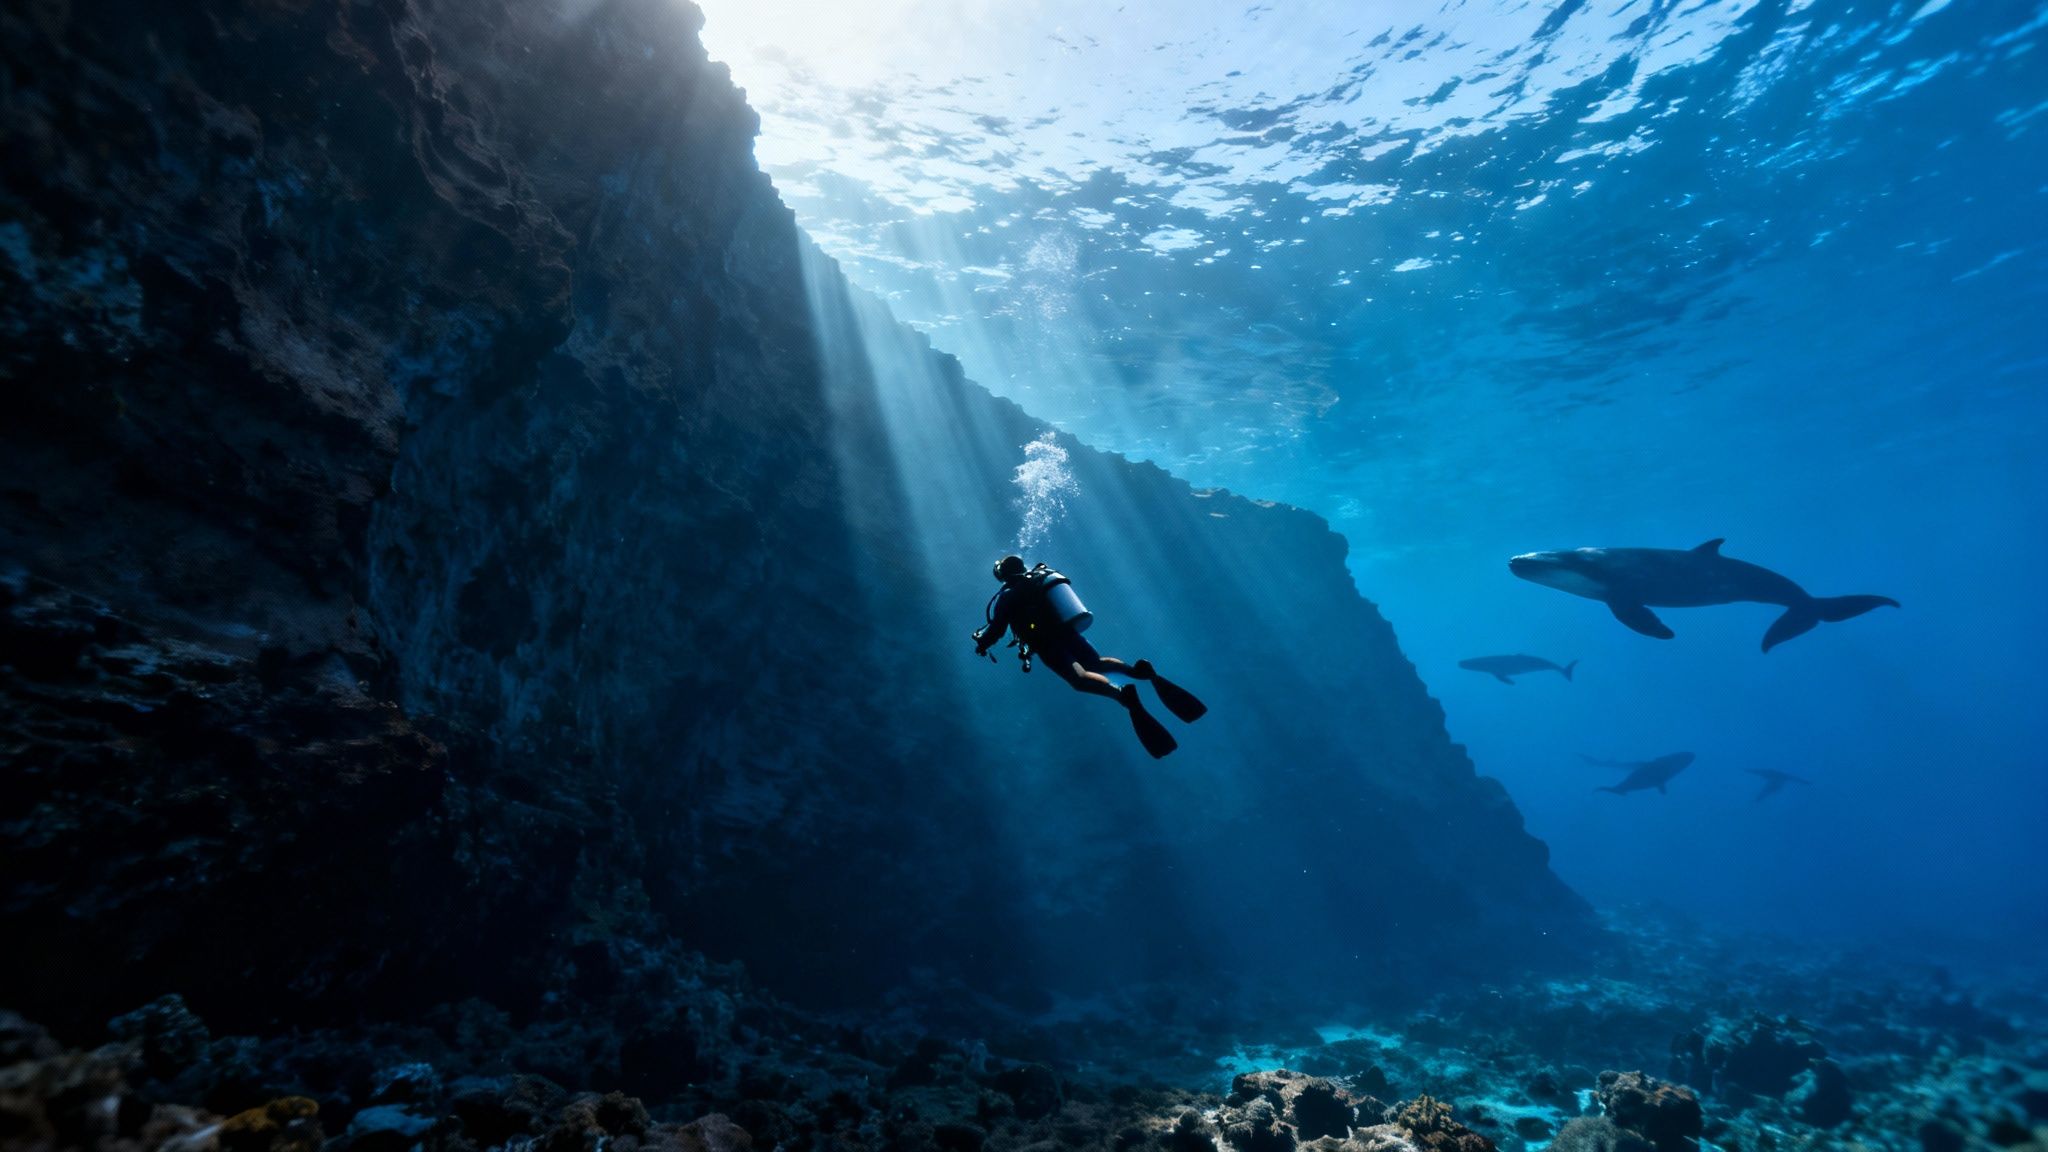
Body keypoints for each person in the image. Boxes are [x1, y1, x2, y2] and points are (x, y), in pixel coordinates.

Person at [971, 555, 1206, 758]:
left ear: (1002, 574)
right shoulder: (1040, 579)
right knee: (1096, 662)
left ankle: (1122, 695)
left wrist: (983, 643)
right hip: (1067, 631)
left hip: (1046, 643)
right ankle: (1137, 672)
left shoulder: (1008, 595)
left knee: (1079, 679)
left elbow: (998, 628)